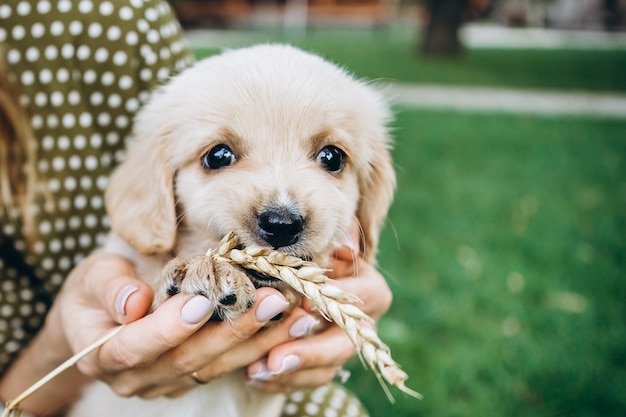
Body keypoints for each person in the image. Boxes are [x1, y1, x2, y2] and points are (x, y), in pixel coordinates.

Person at [0, 1, 393, 416]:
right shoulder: (127, 248)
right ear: (161, 180)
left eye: (331, 158)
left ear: (371, 188)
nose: (283, 212)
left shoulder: (118, 22)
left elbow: (355, 281)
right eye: (220, 156)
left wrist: (345, 307)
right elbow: (141, 253)